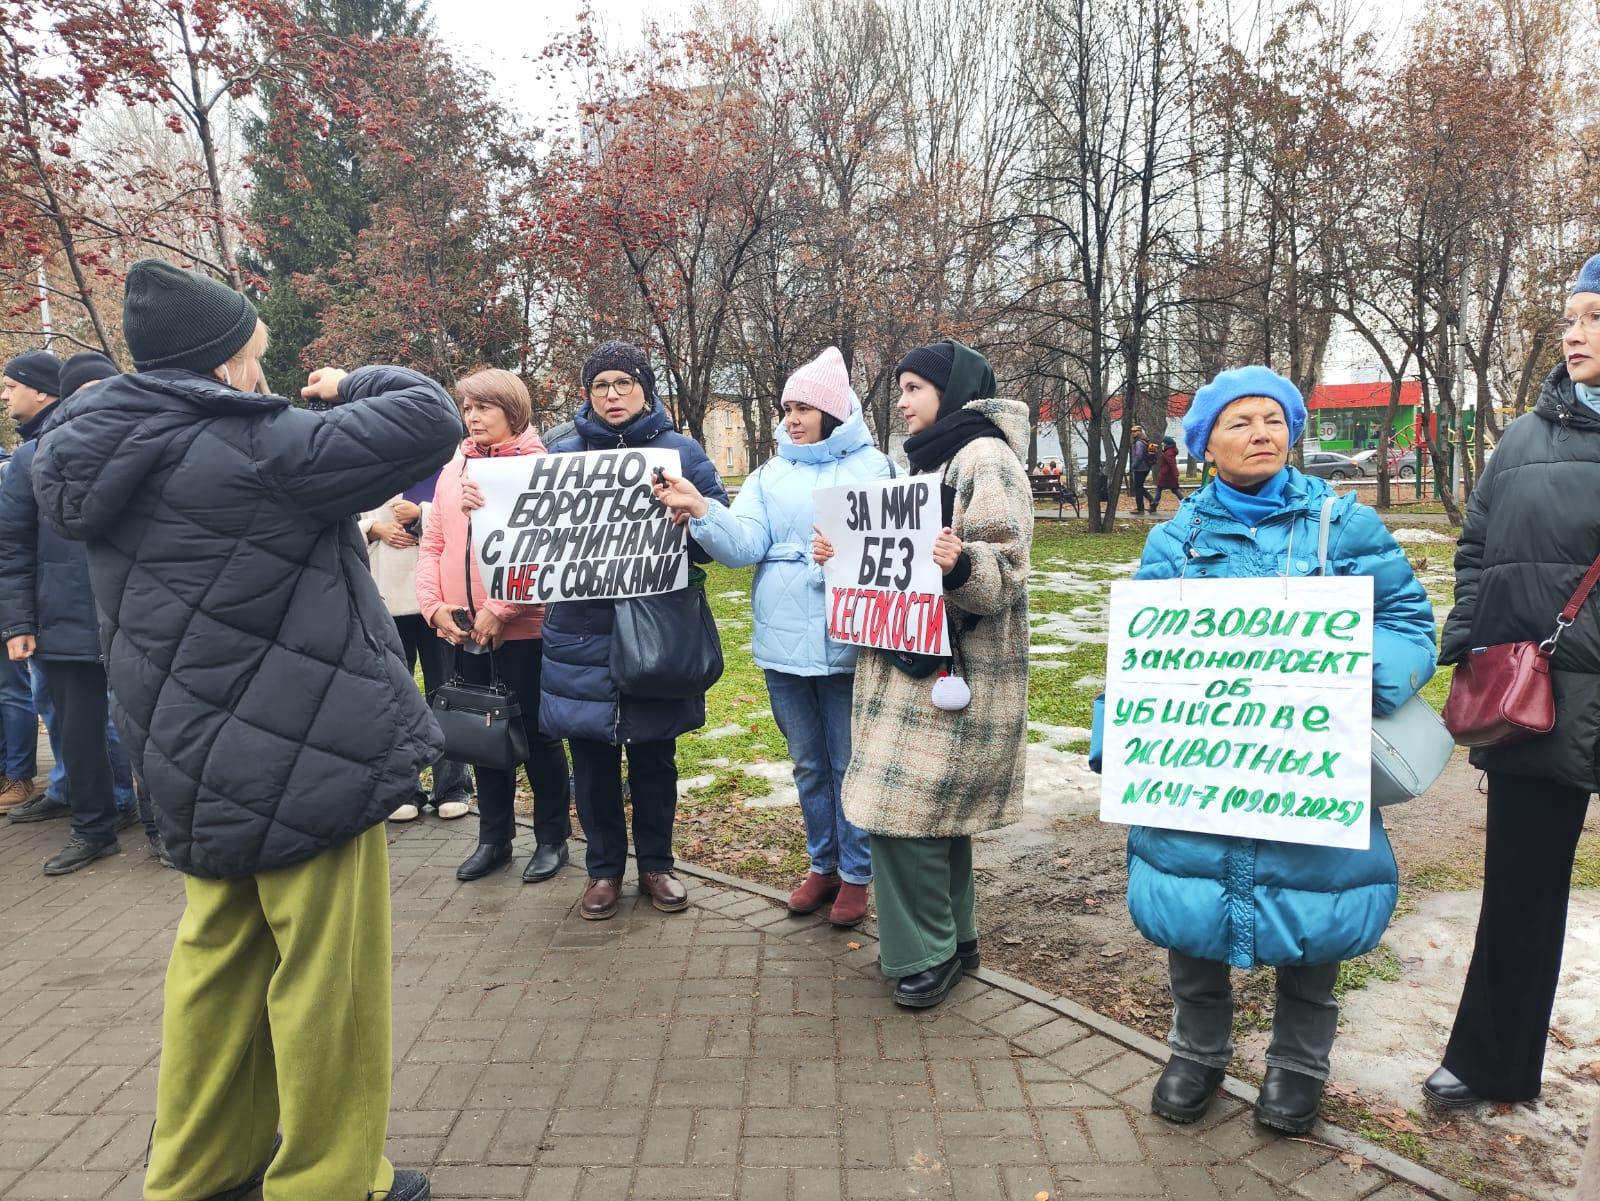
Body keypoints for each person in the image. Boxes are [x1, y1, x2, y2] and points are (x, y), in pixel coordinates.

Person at [32, 258, 460, 1201]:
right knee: (326, 975)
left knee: (217, 965)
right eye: (257, 356)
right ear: (225, 363)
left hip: (187, 751)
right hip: (307, 748)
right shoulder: (264, 444)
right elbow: (432, 415)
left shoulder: (93, 451)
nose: (266, 375)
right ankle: (329, 1177)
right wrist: (352, 383)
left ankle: (197, 1171)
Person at [1125, 365, 1436, 1135]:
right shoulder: (1174, 540)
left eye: (1273, 419)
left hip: (1309, 772)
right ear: (1205, 444)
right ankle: (1196, 1052)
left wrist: (1368, 670)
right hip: (1200, 778)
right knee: (1192, 923)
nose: (1261, 432)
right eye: (1240, 421)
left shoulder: (1343, 525)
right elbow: (1140, 654)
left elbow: (1409, 623)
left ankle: (1298, 1066)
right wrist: (1123, 736)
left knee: (1311, 922)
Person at [1426, 255, 1600, 1112]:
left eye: (1596, 316)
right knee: (1521, 888)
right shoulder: (1525, 437)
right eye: (1571, 316)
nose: (1575, 333)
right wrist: (1470, 645)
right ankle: (1491, 1061)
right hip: (1542, 700)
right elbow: (1476, 548)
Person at [817, 338, 1032, 1009]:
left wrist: (961, 563)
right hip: (909, 667)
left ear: (952, 390)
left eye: (914, 388)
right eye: (900, 389)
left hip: (951, 672)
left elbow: (1006, 568)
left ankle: (927, 954)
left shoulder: (983, 456)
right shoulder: (931, 458)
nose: (902, 402)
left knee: (900, 817)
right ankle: (956, 941)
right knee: (935, 818)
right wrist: (841, 552)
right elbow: (893, 561)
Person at [652, 346, 891, 927]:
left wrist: (843, 557)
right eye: (787, 406)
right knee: (808, 763)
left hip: (850, 641)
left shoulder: (877, 470)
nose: (792, 417)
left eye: (804, 406)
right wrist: (703, 510)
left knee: (849, 762)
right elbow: (742, 549)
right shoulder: (769, 473)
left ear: (833, 412)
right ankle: (822, 865)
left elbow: (892, 551)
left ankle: (858, 875)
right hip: (783, 646)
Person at [518, 340, 726, 921]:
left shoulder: (680, 451)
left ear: (644, 388)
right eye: (600, 385)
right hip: (580, 634)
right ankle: (603, 871)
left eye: (623, 383)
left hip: (657, 629)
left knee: (656, 758)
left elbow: (717, 528)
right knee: (591, 761)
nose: (612, 395)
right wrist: (484, 506)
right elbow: (523, 526)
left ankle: (657, 865)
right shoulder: (561, 452)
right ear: (587, 392)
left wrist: (692, 514)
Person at [416, 368, 571, 884]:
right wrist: (433, 607)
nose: (473, 417)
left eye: (484, 407)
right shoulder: (453, 465)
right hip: (461, 628)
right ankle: (494, 838)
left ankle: (552, 839)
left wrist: (501, 609)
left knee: (538, 737)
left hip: (521, 631)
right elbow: (433, 543)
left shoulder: (536, 466)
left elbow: (546, 549)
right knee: (482, 734)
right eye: (467, 407)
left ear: (513, 411)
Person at [361, 471, 474, 825]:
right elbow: (339, 515)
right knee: (394, 695)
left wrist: (421, 514)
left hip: (437, 595)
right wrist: (372, 529)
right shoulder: (363, 456)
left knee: (447, 691)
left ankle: (454, 785)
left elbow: (462, 512)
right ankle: (402, 787)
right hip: (383, 594)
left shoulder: (444, 459)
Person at [1152, 434, 1181, 511]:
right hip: (1169, 475)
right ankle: (1185, 502)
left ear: (1167, 444)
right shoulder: (1170, 451)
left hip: (1166, 475)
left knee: (1159, 489)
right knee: (1174, 490)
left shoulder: (1168, 453)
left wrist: (1176, 472)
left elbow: (1171, 463)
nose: (1163, 444)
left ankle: (1154, 505)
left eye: (1164, 443)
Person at [1129, 425, 1154, 514]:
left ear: (1140, 432)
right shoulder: (1143, 441)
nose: (1133, 433)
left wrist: (1133, 466)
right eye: (1132, 431)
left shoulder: (1139, 443)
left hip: (1140, 468)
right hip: (1144, 467)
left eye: (1135, 431)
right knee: (1139, 487)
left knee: (1138, 488)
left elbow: (1139, 456)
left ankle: (1140, 509)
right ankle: (1152, 501)